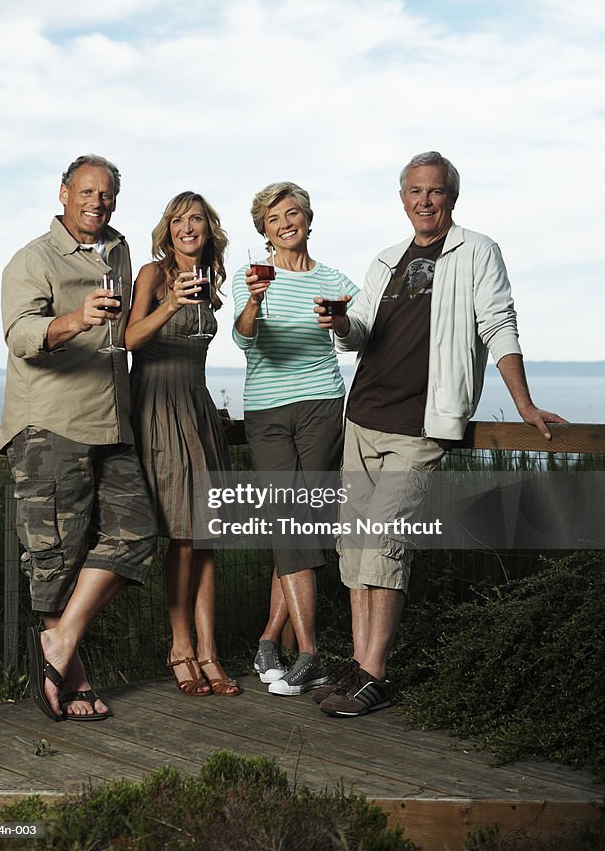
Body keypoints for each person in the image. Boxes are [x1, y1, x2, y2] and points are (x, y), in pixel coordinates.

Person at [313, 151, 566, 718]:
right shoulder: (385, 259)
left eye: (435, 191)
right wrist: (339, 323)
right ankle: (358, 666)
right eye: (415, 192)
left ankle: (375, 674)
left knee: (384, 541)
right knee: (354, 546)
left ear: (451, 197)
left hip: (422, 424)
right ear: (402, 199)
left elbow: (497, 322)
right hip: (364, 415)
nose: (424, 200)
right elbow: (361, 334)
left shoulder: (477, 251)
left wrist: (522, 402)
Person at [0, 154, 158, 722]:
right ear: (64, 193)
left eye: (108, 193)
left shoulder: (118, 249)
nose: (98, 202)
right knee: (55, 559)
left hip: (111, 422)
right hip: (50, 425)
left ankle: (60, 640)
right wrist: (76, 318)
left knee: (137, 532)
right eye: (87, 191)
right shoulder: (31, 259)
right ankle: (74, 679)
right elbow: (20, 335)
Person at [233, 182, 359, 697]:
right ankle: (309, 653)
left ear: (308, 218)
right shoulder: (252, 279)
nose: (285, 223)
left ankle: (272, 642)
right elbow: (243, 338)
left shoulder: (334, 279)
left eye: (293, 213)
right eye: (274, 217)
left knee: (302, 523)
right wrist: (256, 304)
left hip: (323, 407)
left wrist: (343, 320)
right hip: (266, 411)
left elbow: (354, 337)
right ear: (263, 229)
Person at [126, 192, 240, 697]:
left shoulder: (212, 284)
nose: (186, 226)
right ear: (168, 230)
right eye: (178, 219)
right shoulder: (154, 275)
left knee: (207, 534)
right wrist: (170, 301)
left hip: (196, 408)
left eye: (195, 219)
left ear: (208, 230)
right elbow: (129, 339)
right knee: (184, 532)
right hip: (155, 406)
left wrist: (208, 404)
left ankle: (210, 651)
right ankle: (180, 647)